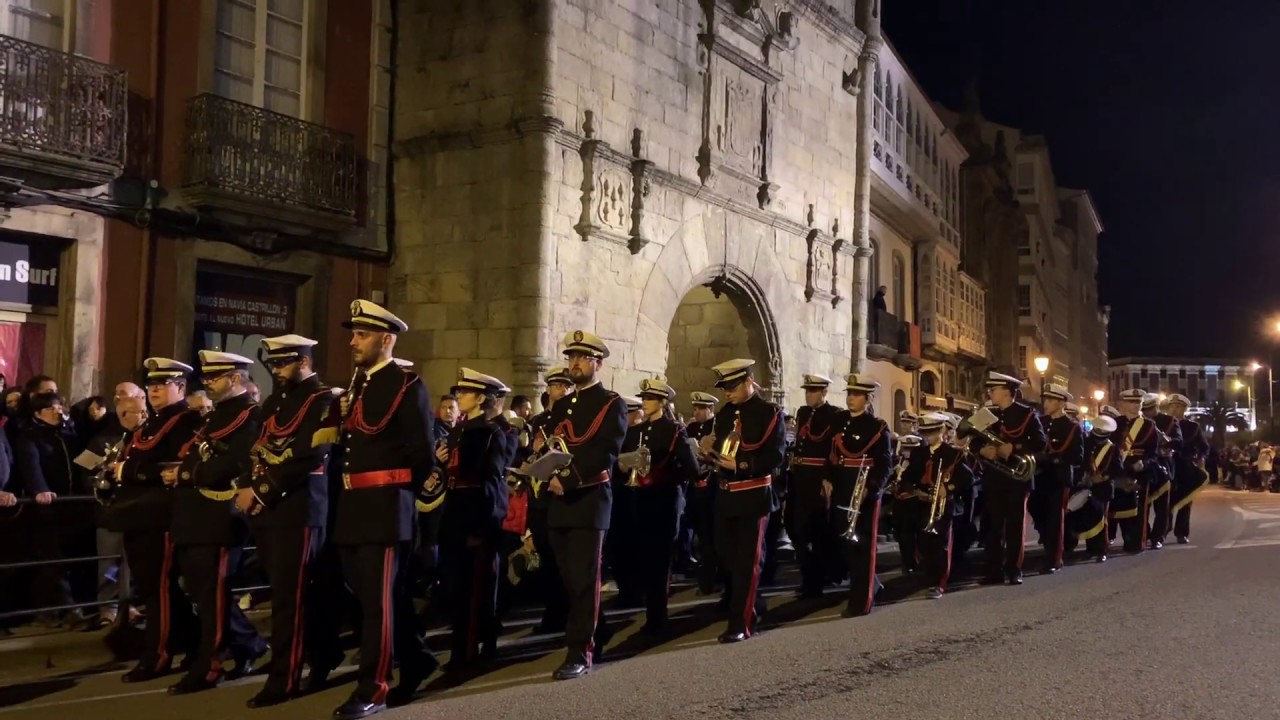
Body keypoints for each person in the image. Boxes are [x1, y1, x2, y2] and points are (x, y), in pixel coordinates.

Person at [332, 299, 439, 720]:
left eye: (362, 335)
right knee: (377, 599)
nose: (353, 342)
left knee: (377, 606)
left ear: (386, 339)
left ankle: (373, 688)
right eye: (353, 334)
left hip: (384, 509)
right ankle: (416, 658)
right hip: (352, 506)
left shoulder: (406, 385)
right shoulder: (359, 384)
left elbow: (423, 454)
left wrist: (398, 495)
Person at [238, 335, 344, 708]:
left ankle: (283, 679)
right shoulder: (274, 401)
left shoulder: (324, 400)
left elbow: (310, 455)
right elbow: (258, 448)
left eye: (283, 363)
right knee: (298, 595)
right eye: (274, 364)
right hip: (271, 509)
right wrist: (248, 487)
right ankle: (325, 652)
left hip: (300, 507)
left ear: (303, 361)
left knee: (290, 599)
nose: (277, 371)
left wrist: (262, 490)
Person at [166, 351, 267, 695]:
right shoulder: (215, 416)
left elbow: (239, 462)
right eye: (207, 377)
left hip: (219, 516)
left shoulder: (250, 416)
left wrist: (187, 473)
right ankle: (248, 643)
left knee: (212, 593)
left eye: (215, 378)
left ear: (235, 379)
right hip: (194, 515)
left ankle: (211, 663)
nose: (207, 383)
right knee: (204, 593)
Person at [104, 358, 203, 682]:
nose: (155, 389)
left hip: (159, 516)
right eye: (152, 384)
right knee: (153, 588)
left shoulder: (185, 422)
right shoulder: (152, 423)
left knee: (158, 590)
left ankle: (158, 654)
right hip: (137, 515)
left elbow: (171, 470)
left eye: (164, 384)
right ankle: (192, 641)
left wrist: (127, 471)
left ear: (181, 387)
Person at [541, 330, 627, 680]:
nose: (574, 363)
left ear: (597, 363)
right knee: (568, 579)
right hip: (560, 500)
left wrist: (571, 478)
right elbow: (554, 446)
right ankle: (597, 630)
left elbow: (605, 451)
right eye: (571, 357)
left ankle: (581, 651)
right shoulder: (562, 405)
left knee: (584, 579)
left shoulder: (611, 403)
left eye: (582, 357)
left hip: (589, 499)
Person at [706, 359, 785, 643]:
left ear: (749, 381)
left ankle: (741, 623)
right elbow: (719, 449)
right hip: (725, 495)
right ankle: (754, 604)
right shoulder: (725, 413)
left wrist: (740, 465)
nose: (727, 392)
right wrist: (708, 453)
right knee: (726, 556)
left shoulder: (769, 412)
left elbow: (775, 456)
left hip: (753, 494)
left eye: (732, 386)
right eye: (724, 387)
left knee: (746, 563)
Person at [438, 368, 511, 672]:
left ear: (481, 398)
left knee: (478, 586)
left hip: (477, 516)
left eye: (465, 393)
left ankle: (471, 650)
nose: (458, 398)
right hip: (455, 513)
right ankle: (461, 647)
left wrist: (485, 522)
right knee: (458, 587)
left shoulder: (490, 433)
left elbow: (492, 480)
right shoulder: (459, 429)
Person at [617, 378, 697, 634]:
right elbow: (618, 461)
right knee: (643, 558)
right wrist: (623, 466)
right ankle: (650, 612)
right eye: (644, 398)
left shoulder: (674, 430)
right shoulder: (635, 432)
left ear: (662, 401)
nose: (645, 402)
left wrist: (666, 473)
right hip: (639, 500)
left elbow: (690, 468)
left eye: (650, 398)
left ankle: (658, 618)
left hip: (664, 499)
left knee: (660, 561)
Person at [827, 374, 892, 613]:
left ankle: (861, 602)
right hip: (842, 487)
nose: (851, 398)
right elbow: (831, 454)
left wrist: (872, 488)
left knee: (863, 547)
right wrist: (827, 476)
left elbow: (885, 465)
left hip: (863, 490)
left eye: (856, 394)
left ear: (868, 399)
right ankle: (871, 584)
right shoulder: (838, 421)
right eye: (849, 393)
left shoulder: (877, 427)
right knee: (844, 541)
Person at [973, 371, 1045, 586]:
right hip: (994, 477)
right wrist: (983, 451)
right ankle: (993, 570)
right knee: (993, 525)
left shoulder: (1027, 414)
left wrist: (1015, 447)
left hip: (1017, 477)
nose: (990, 393)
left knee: (1014, 525)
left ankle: (1014, 569)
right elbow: (973, 441)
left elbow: (1040, 443)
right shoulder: (986, 414)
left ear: (1006, 392)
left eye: (993, 390)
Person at [897, 412, 974, 599]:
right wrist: (913, 489)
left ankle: (939, 583)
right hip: (922, 503)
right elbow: (909, 477)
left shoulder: (953, 454)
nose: (928, 437)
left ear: (941, 430)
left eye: (932, 432)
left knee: (940, 544)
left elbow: (967, 478)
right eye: (925, 433)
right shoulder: (919, 453)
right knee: (924, 543)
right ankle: (928, 576)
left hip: (943, 505)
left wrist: (948, 488)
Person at [787, 374, 840, 599]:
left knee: (817, 532)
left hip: (818, 478)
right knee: (795, 528)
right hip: (799, 477)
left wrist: (828, 476)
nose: (808, 394)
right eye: (807, 390)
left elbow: (833, 449)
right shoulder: (803, 413)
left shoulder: (834, 415)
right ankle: (808, 574)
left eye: (813, 391)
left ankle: (815, 581)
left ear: (824, 393)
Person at [1035, 384, 1083, 574]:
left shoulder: (1072, 427)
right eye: (1045, 400)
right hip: (1039, 476)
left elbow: (1077, 457)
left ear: (1062, 402)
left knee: (1055, 519)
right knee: (1039, 516)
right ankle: (1050, 547)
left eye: (1051, 400)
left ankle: (1054, 559)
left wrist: (1053, 458)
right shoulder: (1040, 422)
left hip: (1058, 478)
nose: (1046, 404)